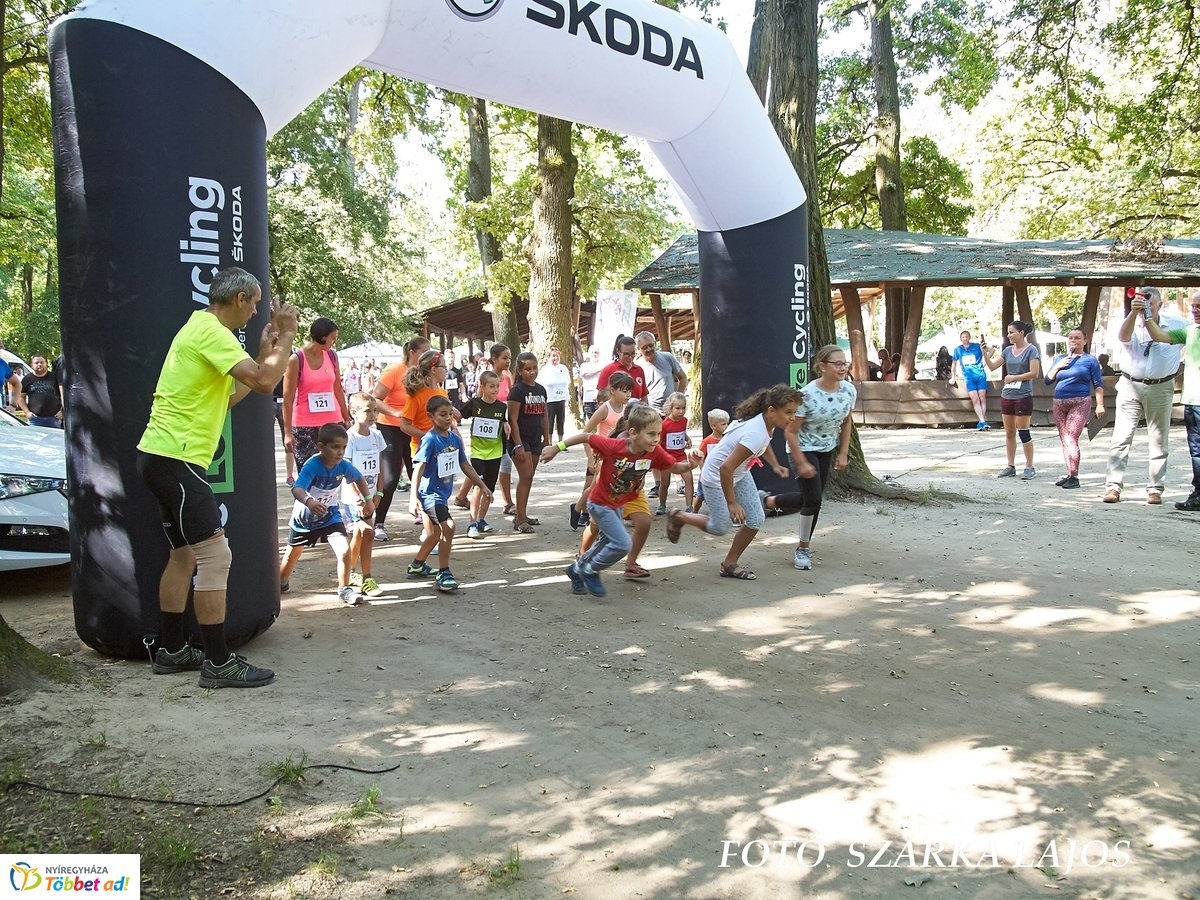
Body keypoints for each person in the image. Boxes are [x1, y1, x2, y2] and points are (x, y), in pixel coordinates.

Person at [137, 266, 297, 688]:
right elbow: (265, 384)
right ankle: (219, 662)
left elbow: (229, 396)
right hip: (178, 459)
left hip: (159, 457)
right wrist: (287, 336)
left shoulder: (197, 328)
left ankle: (172, 651)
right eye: (256, 304)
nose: (256, 313)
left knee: (184, 555)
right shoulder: (212, 333)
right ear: (241, 298)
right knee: (215, 557)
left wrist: (266, 357)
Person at [542, 404, 695, 597]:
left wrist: (691, 464)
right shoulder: (616, 446)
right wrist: (557, 447)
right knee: (622, 544)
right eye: (651, 434)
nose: (656, 439)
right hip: (599, 503)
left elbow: (673, 467)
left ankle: (576, 570)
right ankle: (590, 570)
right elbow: (586, 436)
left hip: (618, 504)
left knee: (606, 543)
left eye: (659, 434)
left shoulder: (654, 452)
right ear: (633, 433)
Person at [665, 384, 801, 580]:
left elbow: (764, 444)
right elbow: (725, 468)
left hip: (739, 473)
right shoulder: (755, 432)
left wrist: (775, 464)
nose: (792, 418)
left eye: (794, 412)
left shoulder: (764, 424)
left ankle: (729, 564)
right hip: (716, 476)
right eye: (788, 412)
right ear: (772, 410)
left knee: (755, 519)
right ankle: (679, 516)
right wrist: (732, 503)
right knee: (720, 527)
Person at [765, 346, 856, 570]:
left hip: (827, 448)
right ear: (822, 367)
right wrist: (802, 461)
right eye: (837, 363)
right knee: (813, 500)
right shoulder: (806, 396)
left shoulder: (849, 391)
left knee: (812, 499)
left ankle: (767, 501)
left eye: (845, 363)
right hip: (802, 448)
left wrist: (843, 453)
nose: (843, 367)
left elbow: (846, 422)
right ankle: (803, 549)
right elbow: (790, 432)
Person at [1103, 286, 1185, 504]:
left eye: (1150, 303)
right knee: (1121, 437)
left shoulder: (1177, 324)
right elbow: (1123, 337)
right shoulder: (1132, 321)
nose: (1145, 307)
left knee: (1158, 439)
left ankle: (1155, 489)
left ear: (1158, 304)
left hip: (1161, 386)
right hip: (1130, 384)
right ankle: (1113, 486)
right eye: (1142, 303)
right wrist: (1133, 313)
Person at [279, 423, 375, 607]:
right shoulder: (312, 465)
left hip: (330, 516)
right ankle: (281, 583)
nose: (340, 452)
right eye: (335, 447)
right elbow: (297, 488)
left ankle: (344, 589)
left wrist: (368, 499)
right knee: (292, 555)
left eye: (344, 447)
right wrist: (309, 502)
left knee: (344, 550)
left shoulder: (343, 466)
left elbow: (359, 478)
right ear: (321, 446)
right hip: (304, 519)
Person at [407, 395, 493, 592]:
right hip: (429, 495)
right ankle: (444, 571)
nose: (447, 418)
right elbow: (419, 468)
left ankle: (417, 565)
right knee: (449, 527)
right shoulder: (429, 440)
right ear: (431, 416)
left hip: (442, 494)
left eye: (449, 414)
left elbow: (464, 464)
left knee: (437, 532)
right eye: (442, 415)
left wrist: (483, 485)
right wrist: (413, 498)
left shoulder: (454, 438)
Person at [1142, 289, 1200, 510]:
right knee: (1196, 450)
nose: (1195, 311)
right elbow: (1159, 336)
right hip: (1192, 399)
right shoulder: (1190, 330)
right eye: (1193, 306)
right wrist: (1146, 313)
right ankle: (1199, 492)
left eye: (1199, 307)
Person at [372, 336, 431, 540]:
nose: (428, 355)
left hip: (415, 429)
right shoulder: (394, 371)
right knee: (389, 479)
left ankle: (426, 519)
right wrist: (395, 413)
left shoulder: (425, 374)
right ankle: (378, 522)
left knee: (421, 472)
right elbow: (374, 398)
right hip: (391, 429)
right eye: (424, 351)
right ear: (413, 352)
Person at [283, 317, 350, 471]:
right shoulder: (296, 359)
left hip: (332, 421)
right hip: (305, 424)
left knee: (334, 469)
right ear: (323, 337)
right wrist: (287, 432)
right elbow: (288, 397)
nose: (335, 341)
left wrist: (346, 417)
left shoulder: (332, 356)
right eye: (333, 337)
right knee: (307, 470)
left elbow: (337, 389)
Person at [1043, 328, 1105, 490]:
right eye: (1070, 337)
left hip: (1080, 401)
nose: (1073, 340)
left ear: (1085, 341)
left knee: (1071, 437)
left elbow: (1098, 385)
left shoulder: (1090, 360)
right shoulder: (1060, 358)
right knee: (1064, 439)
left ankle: (1074, 476)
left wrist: (1100, 404)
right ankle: (1069, 473)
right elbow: (1047, 380)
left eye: (1077, 338)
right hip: (1059, 401)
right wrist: (1058, 366)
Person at [571, 373, 634, 529]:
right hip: (603, 455)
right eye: (624, 391)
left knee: (608, 487)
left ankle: (583, 509)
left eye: (630, 391)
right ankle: (580, 509)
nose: (628, 395)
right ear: (612, 390)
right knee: (596, 487)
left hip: (618, 457)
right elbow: (586, 433)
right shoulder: (605, 409)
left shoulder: (627, 409)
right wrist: (590, 457)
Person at [341, 392, 387, 596]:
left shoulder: (377, 436)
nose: (373, 415)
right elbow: (346, 470)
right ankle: (367, 577)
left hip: (371, 495)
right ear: (353, 413)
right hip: (355, 499)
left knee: (360, 535)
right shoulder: (350, 438)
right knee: (367, 533)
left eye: (375, 410)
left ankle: (351, 572)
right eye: (368, 411)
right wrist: (360, 499)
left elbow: (380, 465)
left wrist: (379, 492)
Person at [983, 322, 1040, 479]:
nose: (1009, 335)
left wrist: (1014, 377)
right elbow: (993, 367)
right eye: (1008, 333)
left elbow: (1034, 373)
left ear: (1021, 333)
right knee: (1009, 432)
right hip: (1008, 394)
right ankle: (1010, 465)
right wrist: (985, 354)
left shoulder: (1031, 350)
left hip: (1023, 395)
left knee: (1023, 430)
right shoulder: (1008, 350)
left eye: (1011, 332)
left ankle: (1029, 466)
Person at [458, 369, 508, 539]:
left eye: (497, 386)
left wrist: (506, 424)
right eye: (491, 386)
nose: (495, 390)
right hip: (478, 453)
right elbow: (459, 414)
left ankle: (481, 519)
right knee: (479, 487)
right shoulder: (474, 404)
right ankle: (472, 523)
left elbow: (504, 421)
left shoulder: (502, 407)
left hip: (495, 453)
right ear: (482, 387)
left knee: (490, 488)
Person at [507, 351, 549, 533]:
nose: (531, 372)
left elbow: (545, 415)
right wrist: (517, 444)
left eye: (534, 368)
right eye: (527, 369)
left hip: (535, 439)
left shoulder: (541, 390)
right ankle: (520, 519)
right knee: (525, 475)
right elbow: (512, 419)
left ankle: (521, 514)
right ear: (520, 370)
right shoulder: (517, 391)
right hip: (520, 439)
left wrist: (547, 438)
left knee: (529, 477)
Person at [656, 391, 693, 514]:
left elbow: (681, 432)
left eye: (683, 408)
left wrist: (687, 438)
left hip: (680, 456)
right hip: (667, 457)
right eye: (677, 408)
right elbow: (659, 441)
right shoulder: (664, 424)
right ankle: (662, 505)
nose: (681, 411)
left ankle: (689, 506)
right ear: (670, 408)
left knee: (688, 479)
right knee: (665, 483)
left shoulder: (684, 421)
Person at [635, 331, 687, 412]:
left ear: (655, 343)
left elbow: (683, 377)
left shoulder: (667, 357)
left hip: (670, 411)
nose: (649, 349)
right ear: (638, 349)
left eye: (651, 345)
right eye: (644, 347)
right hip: (650, 412)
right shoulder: (637, 366)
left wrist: (678, 398)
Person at [690, 407, 729, 513]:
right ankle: (694, 512)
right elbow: (700, 456)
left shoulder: (727, 440)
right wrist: (704, 469)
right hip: (707, 474)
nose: (726, 426)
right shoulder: (707, 441)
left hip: (721, 473)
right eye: (723, 424)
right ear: (713, 426)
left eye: (727, 423)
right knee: (700, 497)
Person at [952, 331, 990, 430]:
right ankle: (982, 421)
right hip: (968, 377)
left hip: (980, 375)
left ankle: (982, 421)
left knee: (982, 397)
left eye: (967, 336)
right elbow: (954, 364)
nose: (965, 338)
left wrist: (985, 363)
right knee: (975, 398)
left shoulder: (977, 346)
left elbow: (991, 351)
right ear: (961, 338)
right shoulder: (958, 350)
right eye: (963, 337)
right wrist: (953, 376)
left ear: (969, 337)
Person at [597, 335, 648, 402]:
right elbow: (602, 398)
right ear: (618, 351)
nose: (630, 357)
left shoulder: (639, 370)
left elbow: (644, 397)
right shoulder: (608, 370)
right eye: (626, 354)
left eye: (633, 353)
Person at [18, 355, 63, 428]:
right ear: (32, 365)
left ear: (46, 364)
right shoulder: (26, 379)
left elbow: (63, 395)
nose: (39, 364)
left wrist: (62, 411)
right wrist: (27, 412)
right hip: (35, 419)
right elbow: (20, 397)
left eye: (42, 362)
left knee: (55, 439)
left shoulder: (55, 377)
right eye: (36, 363)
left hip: (54, 418)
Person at [541, 346, 572, 442]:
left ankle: (561, 441)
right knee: (550, 420)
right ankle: (549, 441)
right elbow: (542, 383)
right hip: (550, 399)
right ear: (548, 357)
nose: (556, 358)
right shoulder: (545, 369)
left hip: (561, 398)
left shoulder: (563, 368)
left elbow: (567, 381)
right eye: (553, 356)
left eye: (557, 356)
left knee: (561, 420)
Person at [579, 346, 606, 419]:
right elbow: (584, 374)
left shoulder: (603, 364)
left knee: (600, 418)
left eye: (596, 352)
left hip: (600, 395)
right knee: (590, 416)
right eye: (592, 352)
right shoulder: (584, 365)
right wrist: (598, 370)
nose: (594, 354)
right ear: (589, 354)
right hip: (587, 396)